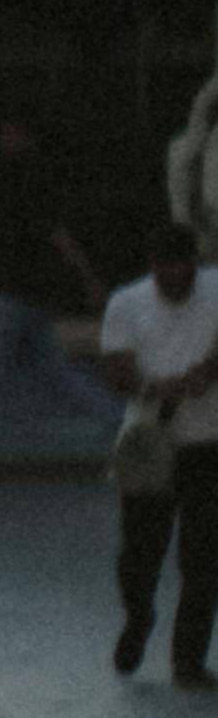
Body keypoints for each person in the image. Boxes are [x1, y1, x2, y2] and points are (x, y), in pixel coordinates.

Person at [97, 216, 218, 691]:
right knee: (141, 552)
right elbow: (117, 374)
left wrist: (206, 371)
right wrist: (162, 386)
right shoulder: (127, 304)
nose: (177, 278)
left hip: (209, 443)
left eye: (185, 267)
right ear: (153, 267)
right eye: (167, 269)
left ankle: (187, 661)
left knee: (205, 558)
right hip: (149, 443)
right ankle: (139, 614)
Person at [0, 116, 101, 462]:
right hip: (34, 291)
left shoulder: (21, 179)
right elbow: (53, 234)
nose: (4, 137)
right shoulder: (37, 178)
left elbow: (47, 233)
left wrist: (86, 276)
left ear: (26, 136)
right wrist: (85, 277)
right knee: (57, 376)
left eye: (11, 132)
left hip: (15, 289)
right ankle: (121, 423)